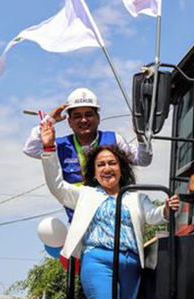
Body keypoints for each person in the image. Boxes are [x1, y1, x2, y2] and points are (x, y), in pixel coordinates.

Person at [40, 119, 178, 299]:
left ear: (121, 168)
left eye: (111, 163)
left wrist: (167, 209)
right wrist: (49, 150)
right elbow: (57, 187)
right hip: (98, 261)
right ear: (93, 172)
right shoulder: (86, 194)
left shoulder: (135, 197)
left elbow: (155, 215)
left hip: (130, 263)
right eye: (100, 164)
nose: (106, 168)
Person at [23, 87, 153, 220]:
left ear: (98, 118)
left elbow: (143, 160)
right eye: (77, 116)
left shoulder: (114, 139)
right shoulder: (60, 146)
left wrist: (141, 135)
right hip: (79, 224)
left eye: (88, 114)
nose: (84, 120)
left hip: (115, 220)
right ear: (69, 122)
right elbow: (30, 149)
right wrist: (49, 120)